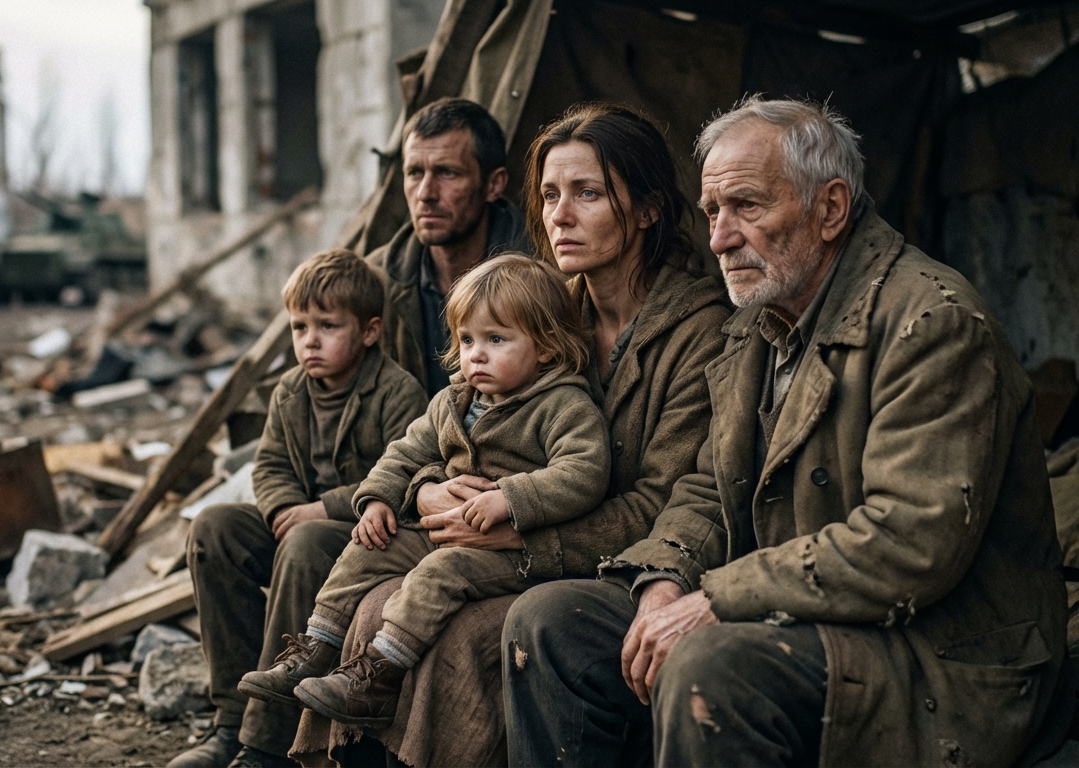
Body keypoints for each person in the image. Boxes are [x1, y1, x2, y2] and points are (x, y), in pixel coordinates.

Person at [503, 96, 1069, 767]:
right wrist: (662, 581)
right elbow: (709, 490)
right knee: (549, 624)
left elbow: (909, 541)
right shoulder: (757, 322)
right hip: (803, 611)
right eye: (713, 212)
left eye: (746, 206)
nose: (718, 238)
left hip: (938, 651)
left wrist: (716, 596)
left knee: (711, 665)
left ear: (830, 209)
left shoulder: (930, 322)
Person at [287, 103, 731, 768]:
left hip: (610, 562)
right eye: (550, 194)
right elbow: (453, 426)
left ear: (647, 210)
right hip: (489, 537)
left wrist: (520, 530)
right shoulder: (547, 307)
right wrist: (431, 491)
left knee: (468, 634)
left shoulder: (700, 332)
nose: (559, 215)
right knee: (380, 602)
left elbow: (664, 503)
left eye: (588, 193)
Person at [239, 254, 609, 728]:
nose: (476, 354)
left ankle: (379, 675)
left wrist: (511, 498)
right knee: (369, 546)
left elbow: (584, 471)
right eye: (468, 339)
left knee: (442, 571)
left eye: (497, 339)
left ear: (545, 347)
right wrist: (376, 500)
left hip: (507, 551)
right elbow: (403, 454)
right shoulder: (454, 400)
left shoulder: (563, 405)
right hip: (440, 528)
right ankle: (319, 645)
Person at [169, 250, 427, 768]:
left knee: (305, 541)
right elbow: (268, 466)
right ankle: (229, 721)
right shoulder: (290, 391)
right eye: (299, 326)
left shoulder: (398, 392)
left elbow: (399, 474)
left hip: (363, 537)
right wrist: (285, 506)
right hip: (297, 528)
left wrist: (321, 509)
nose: (309, 340)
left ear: (370, 332)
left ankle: (266, 744)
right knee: (214, 529)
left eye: (328, 326)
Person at [367, 97, 531, 396]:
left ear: (494, 185)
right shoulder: (374, 282)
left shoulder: (546, 280)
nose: (426, 193)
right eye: (415, 172)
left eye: (447, 173)